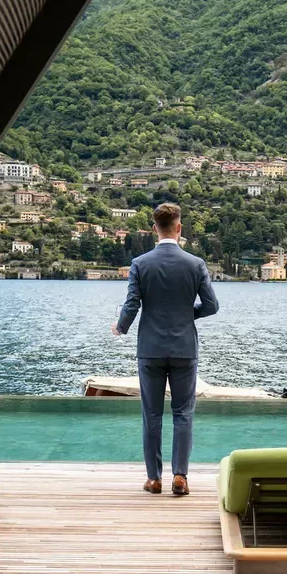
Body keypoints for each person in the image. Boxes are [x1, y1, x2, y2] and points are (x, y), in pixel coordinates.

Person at [112, 202, 219, 495]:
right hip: (184, 348)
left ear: (154, 229)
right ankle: (180, 477)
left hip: (150, 349)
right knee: (183, 413)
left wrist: (120, 327)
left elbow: (132, 304)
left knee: (152, 414)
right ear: (179, 227)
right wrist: (187, 314)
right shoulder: (195, 264)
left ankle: (154, 479)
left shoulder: (140, 263)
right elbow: (211, 306)